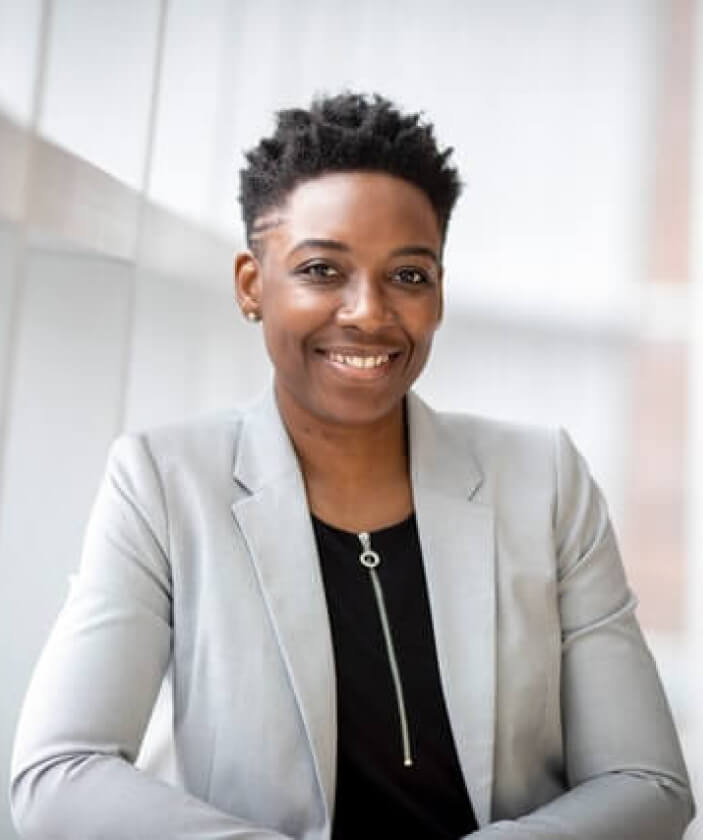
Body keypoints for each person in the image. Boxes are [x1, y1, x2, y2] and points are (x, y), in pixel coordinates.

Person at [10, 92, 694, 839]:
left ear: (437, 293)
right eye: (321, 270)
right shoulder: (162, 482)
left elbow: (646, 781)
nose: (368, 312)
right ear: (251, 284)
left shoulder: (544, 480)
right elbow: (59, 774)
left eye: (407, 276)